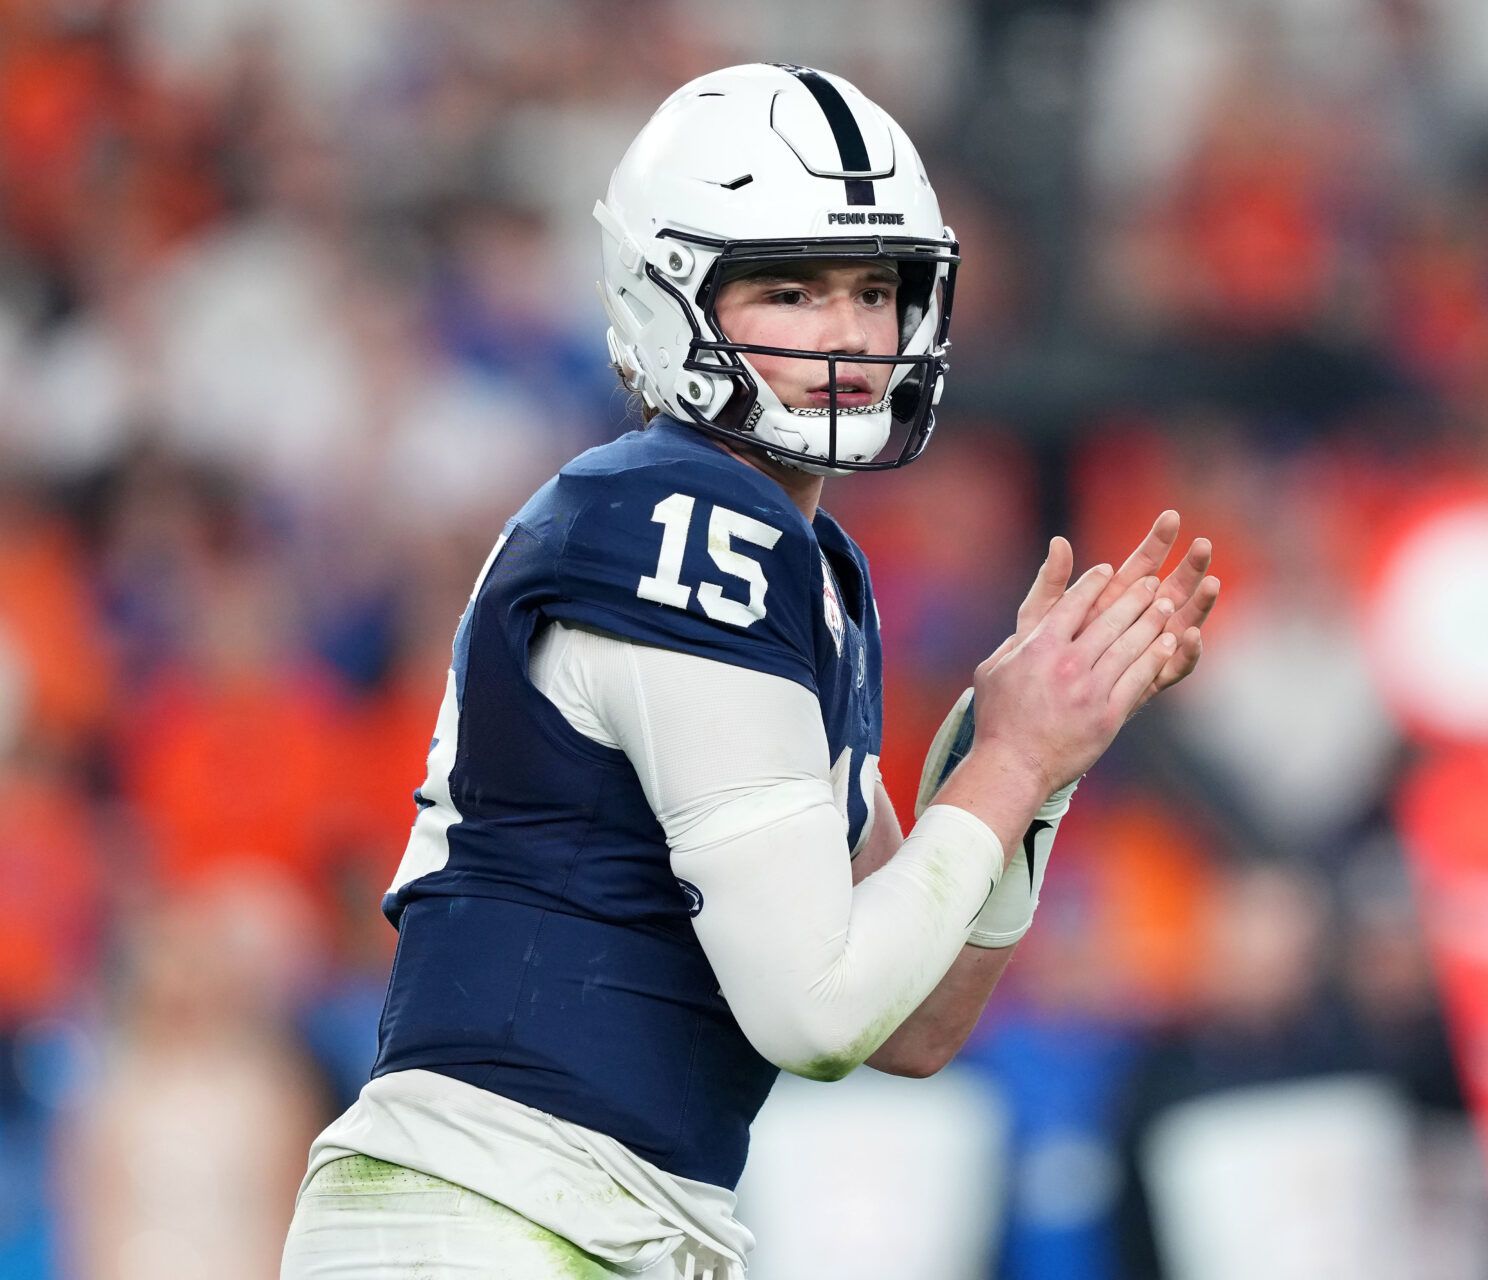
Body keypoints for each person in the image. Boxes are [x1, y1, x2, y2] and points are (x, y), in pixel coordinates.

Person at [281, 63, 1218, 1279]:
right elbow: (816, 1012)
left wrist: (1041, 771)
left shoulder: (794, 557)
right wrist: (1011, 757)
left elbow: (914, 1019)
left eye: (872, 290)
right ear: (669, 292)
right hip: (499, 1214)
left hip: (583, 1217)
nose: (843, 332)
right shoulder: (677, 520)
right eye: (789, 288)